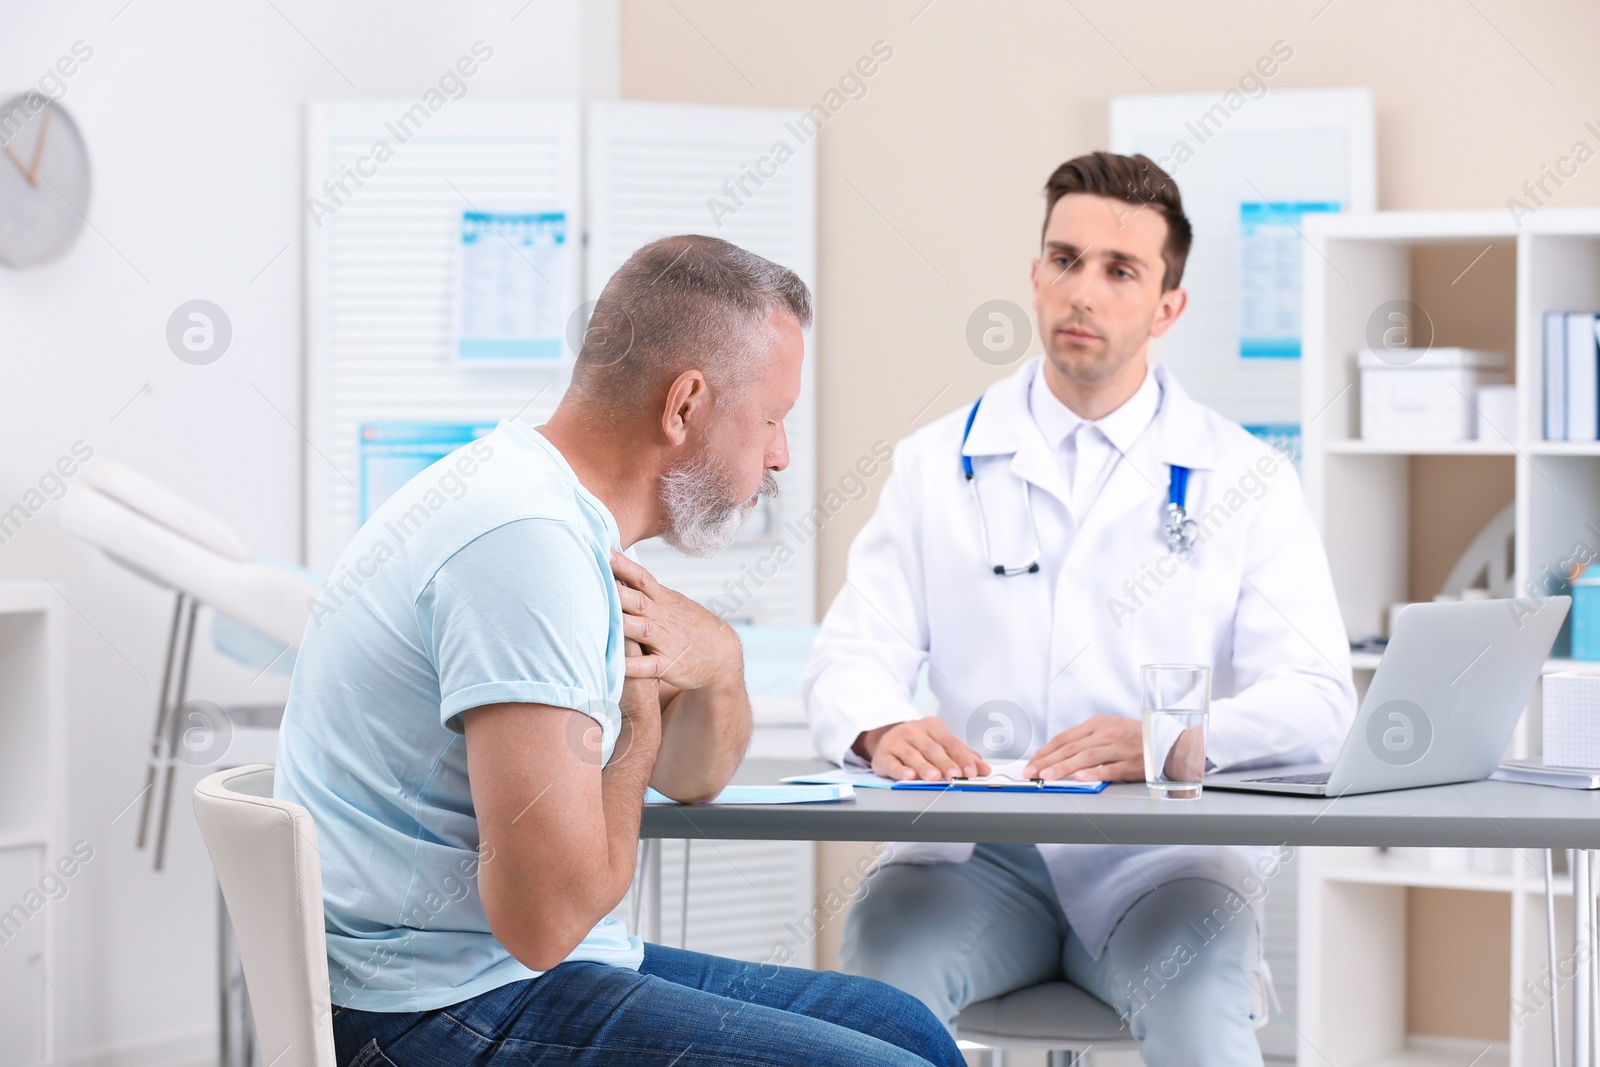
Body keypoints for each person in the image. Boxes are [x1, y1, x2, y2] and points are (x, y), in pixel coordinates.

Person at [275, 234, 964, 1067]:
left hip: (506, 974)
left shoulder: (549, 512)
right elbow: (544, 920)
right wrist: (635, 735)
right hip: (431, 1014)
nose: (780, 453)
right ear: (684, 405)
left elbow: (696, 773)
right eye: (772, 417)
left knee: (906, 1028)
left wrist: (719, 657)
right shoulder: (525, 545)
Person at [804, 152, 1358, 1065]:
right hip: (978, 858)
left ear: (1167, 307)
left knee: (1202, 998)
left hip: (1164, 865)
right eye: (1064, 260)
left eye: (1119, 270)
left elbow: (1318, 698)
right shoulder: (936, 463)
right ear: (1034, 274)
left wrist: (1171, 736)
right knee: (880, 975)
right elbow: (849, 655)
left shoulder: (1248, 479)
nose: (1082, 292)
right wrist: (880, 726)